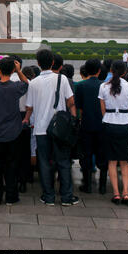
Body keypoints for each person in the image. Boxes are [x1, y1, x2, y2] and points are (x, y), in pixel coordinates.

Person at [24, 49, 79, 206]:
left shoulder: (33, 83)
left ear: (38, 63)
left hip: (41, 129)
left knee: (44, 163)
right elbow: (71, 102)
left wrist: (26, 119)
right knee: (63, 162)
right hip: (60, 129)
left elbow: (29, 107)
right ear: (53, 63)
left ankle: (48, 196)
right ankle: (67, 197)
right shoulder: (62, 79)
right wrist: (74, 120)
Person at [0, 57, 29, 205]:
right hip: (13, 133)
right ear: (12, 70)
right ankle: (11, 197)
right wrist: (19, 71)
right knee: (12, 166)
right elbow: (26, 84)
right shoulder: (16, 87)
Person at [99, 60, 128, 205]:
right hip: (125, 124)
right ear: (124, 72)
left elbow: (102, 108)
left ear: (111, 71)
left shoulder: (103, 86)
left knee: (112, 161)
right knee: (125, 161)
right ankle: (125, 193)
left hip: (109, 122)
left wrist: (108, 117)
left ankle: (115, 193)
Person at [75, 58, 108, 194]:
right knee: (103, 156)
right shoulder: (105, 85)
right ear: (99, 71)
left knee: (86, 155)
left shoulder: (82, 86)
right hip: (102, 125)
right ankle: (102, 186)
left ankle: (87, 185)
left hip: (87, 124)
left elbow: (79, 107)